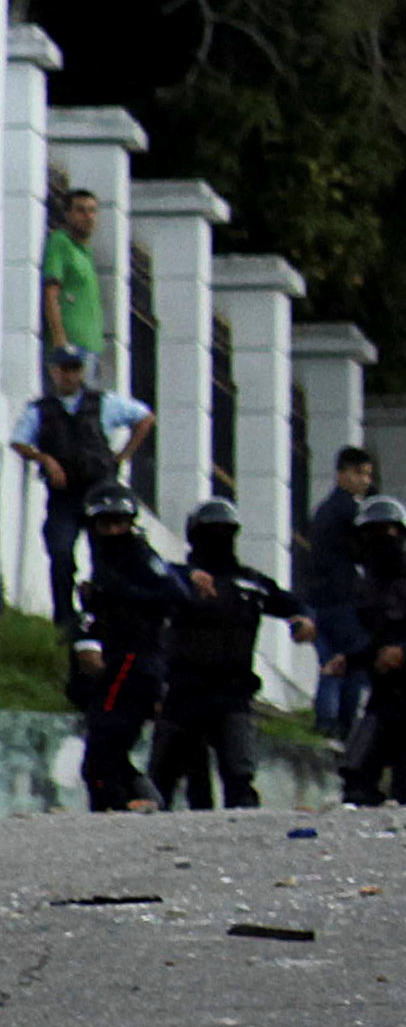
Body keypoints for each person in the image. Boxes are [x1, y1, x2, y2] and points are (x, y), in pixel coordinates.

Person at [153, 499, 316, 809]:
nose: (217, 538)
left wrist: (305, 620)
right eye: (209, 531)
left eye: (223, 532)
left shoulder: (250, 584)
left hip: (232, 694)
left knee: (240, 780)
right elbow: (145, 573)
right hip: (184, 692)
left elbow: (294, 604)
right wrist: (183, 578)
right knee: (164, 779)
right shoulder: (175, 580)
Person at [65, 482, 204, 811]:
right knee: (106, 750)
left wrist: (119, 593)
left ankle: (116, 814)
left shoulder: (136, 554)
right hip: (117, 660)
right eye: (105, 523)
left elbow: (176, 594)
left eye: (119, 523)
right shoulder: (103, 560)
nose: (113, 530)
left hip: (134, 661)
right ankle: (142, 804)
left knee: (103, 752)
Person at [12, 346, 156, 638]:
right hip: (64, 496)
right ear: (53, 371)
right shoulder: (41, 409)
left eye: (75, 368)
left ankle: (106, 617)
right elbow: (19, 441)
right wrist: (46, 459)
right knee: (61, 553)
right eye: (64, 368)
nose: (69, 375)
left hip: (100, 495)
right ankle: (64, 621)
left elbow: (144, 418)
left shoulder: (103, 403)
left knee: (107, 557)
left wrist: (123, 455)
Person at [339, 495, 406, 805]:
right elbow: (379, 639)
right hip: (386, 692)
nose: (382, 541)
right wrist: (354, 659)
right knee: (357, 777)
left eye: (388, 532)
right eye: (374, 533)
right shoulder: (369, 584)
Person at [299, 447, 378, 737]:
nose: (365, 481)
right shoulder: (351, 512)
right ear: (342, 473)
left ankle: (325, 723)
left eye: (368, 474)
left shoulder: (322, 510)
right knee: (352, 665)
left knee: (329, 663)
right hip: (343, 600)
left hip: (318, 600)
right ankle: (343, 727)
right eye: (360, 473)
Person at [42, 191, 104, 375]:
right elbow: (51, 293)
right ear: (68, 214)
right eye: (81, 210)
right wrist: (60, 341)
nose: (88, 217)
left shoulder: (86, 252)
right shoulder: (60, 243)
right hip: (70, 349)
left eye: (92, 211)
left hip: (90, 346)